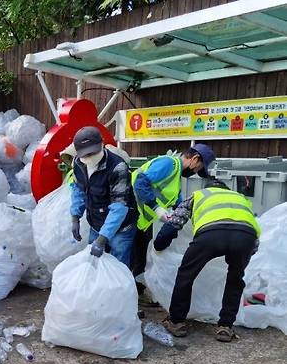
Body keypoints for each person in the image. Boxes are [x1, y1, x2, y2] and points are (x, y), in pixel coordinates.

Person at [153, 179, 260, 343]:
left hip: (210, 235)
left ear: (208, 188)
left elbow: (175, 223)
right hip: (244, 237)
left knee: (186, 275)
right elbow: (253, 231)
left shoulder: (199, 195)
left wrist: (159, 245)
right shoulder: (240, 198)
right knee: (235, 279)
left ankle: (176, 321)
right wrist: (242, 256)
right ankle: (225, 326)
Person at [131, 144, 216, 302]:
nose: (196, 172)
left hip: (142, 220)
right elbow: (140, 183)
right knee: (132, 257)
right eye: (199, 168)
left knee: (141, 258)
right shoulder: (169, 164)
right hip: (130, 213)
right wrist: (156, 208)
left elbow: (179, 204)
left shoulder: (175, 177)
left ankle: (137, 293)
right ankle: (128, 295)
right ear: (195, 159)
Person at [69, 126, 138, 266]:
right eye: (85, 155)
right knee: (94, 267)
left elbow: (119, 207)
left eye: (92, 153)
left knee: (118, 269)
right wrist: (75, 217)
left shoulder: (118, 167)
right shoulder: (77, 164)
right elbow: (78, 190)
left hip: (121, 228)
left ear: (102, 143)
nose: (89, 158)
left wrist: (102, 239)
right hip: (95, 224)